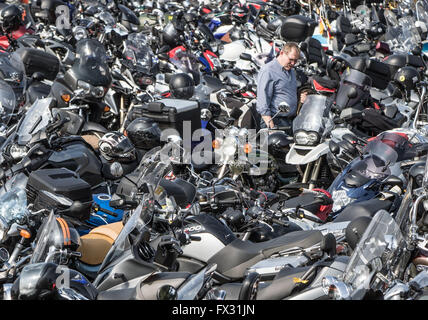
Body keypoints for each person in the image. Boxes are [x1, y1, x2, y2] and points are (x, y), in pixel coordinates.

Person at [256, 42, 307, 129]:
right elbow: (262, 102)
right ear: (282, 53)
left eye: (295, 61)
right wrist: (270, 127)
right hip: (273, 121)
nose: (293, 63)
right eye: (291, 59)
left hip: (288, 122)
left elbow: (284, 93)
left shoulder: (291, 71)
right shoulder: (268, 71)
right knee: (265, 142)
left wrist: (300, 98)